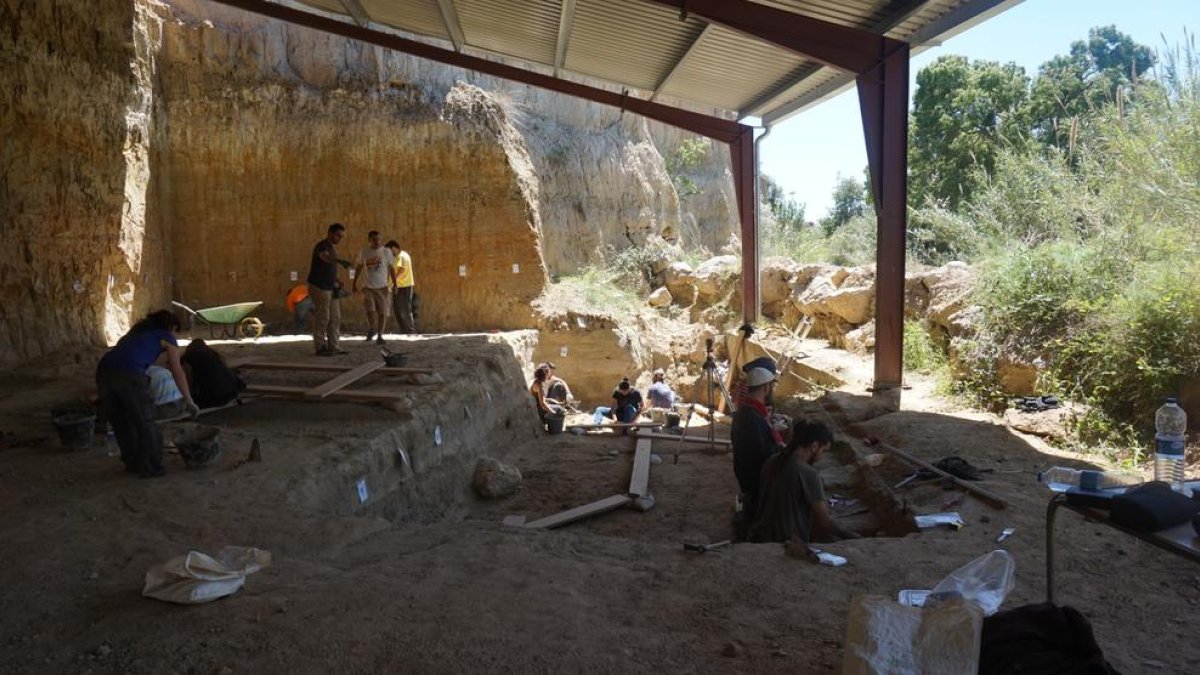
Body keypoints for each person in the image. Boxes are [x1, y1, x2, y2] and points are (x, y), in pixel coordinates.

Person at [95, 310, 198, 478]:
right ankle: (152, 467)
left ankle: (133, 464)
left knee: (122, 422)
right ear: (170, 326)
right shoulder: (166, 337)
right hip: (129, 375)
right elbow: (177, 371)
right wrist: (189, 400)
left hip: (104, 372)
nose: (174, 334)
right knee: (145, 421)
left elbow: (128, 354)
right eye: (175, 330)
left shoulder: (136, 333)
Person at [751, 420, 861, 543]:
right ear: (814, 446)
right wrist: (855, 537)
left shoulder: (771, 461)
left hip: (761, 535)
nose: (822, 457)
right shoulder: (807, 473)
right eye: (823, 451)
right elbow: (825, 522)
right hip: (786, 541)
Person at [731, 365, 783, 521]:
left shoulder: (743, 413)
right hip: (757, 479)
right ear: (766, 388)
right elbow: (765, 456)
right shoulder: (754, 418)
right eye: (771, 386)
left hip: (745, 475)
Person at [308, 223, 348, 356]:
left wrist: (337, 280)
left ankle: (334, 346)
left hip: (331, 287)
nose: (339, 239)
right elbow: (325, 258)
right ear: (330, 233)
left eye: (341, 236)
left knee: (335, 317)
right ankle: (320, 347)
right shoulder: (322, 246)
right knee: (323, 316)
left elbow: (328, 268)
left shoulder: (331, 248)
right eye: (338, 235)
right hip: (320, 286)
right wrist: (340, 261)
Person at [353, 230, 396, 344]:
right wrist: (354, 283)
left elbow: (392, 268)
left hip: (383, 287)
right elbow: (359, 267)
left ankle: (380, 335)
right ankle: (372, 327)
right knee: (370, 310)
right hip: (368, 287)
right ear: (369, 240)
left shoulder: (386, 252)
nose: (377, 242)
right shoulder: (364, 252)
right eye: (374, 239)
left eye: (378, 239)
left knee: (382, 312)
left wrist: (395, 284)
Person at [182, 339, 245, 409]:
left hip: (213, 398)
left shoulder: (189, 358)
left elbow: (189, 380)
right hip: (231, 393)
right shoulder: (213, 354)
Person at [386, 239, 417, 334]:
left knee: (405, 309)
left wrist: (392, 283)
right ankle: (404, 330)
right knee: (397, 309)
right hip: (398, 286)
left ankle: (411, 331)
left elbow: (401, 270)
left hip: (404, 286)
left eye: (389, 251)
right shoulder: (397, 257)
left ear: (393, 248)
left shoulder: (401, 256)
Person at [530, 365, 565, 430]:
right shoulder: (539, 386)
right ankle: (548, 423)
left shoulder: (536, 382)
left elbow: (543, 398)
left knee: (558, 406)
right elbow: (543, 404)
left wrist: (556, 402)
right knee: (560, 410)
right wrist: (552, 412)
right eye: (548, 372)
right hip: (539, 410)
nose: (549, 374)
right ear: (545, 374)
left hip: (538, 407)